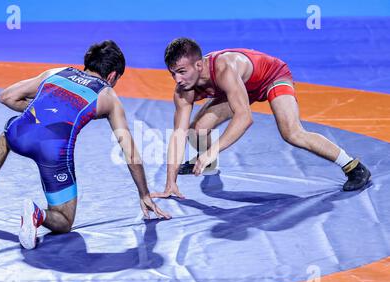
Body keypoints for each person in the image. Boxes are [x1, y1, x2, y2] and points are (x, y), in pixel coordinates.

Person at [0, 40, 170, 250]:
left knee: (9, 132)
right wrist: (144, 194)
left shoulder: (57, 72)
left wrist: (39, 112)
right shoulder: (108, 96)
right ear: (112, 76)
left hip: (21, 135)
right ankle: (38, 215)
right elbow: (129, 152)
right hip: (53, 152)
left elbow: (7, 97)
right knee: (65, 220)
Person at [152, 37, 371, 199]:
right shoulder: (183, 90)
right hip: (239, 89)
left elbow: (245, 118)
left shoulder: (223, 69)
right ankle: (208, 164)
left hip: (270, 77)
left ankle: (353, 167)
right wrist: (170, 183)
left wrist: (211, 150)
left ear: (199, 65)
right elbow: (178, 135)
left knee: (292, 133)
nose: (177, 79)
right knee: (194, 131)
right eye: (173, 73)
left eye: (182, 71)